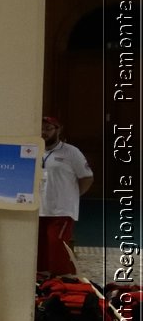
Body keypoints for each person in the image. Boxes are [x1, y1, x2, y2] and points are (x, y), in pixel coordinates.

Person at [38, 115, 92, 277]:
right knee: (40, 248)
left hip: (62, 210)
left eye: (48, 129)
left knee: (57, 246)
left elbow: (87, 178)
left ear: (58, 129)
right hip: (39, 208)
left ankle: (65, 279)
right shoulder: (33, 150)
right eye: (41, 129)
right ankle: (43, 281)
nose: (44, 133)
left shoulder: (71, 152)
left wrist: (73, 196)